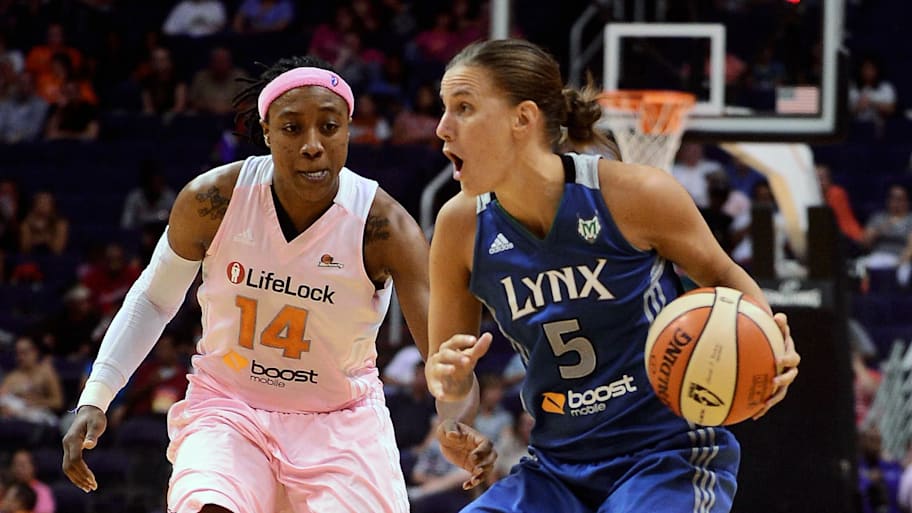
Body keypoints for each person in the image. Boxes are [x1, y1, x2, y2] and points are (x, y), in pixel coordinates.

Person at [62, 55, 493, 513]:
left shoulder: (384, 227)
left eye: (329, 127)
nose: (313, 145)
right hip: (229, 407)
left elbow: (443, 356)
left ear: (348, 131)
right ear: (267, 132)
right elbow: (153, 300)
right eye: (292, 129)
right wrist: (96, 396)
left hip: (339, 423)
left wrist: (456, 420)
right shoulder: (213, 200)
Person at [426, 38, 800, 513]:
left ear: (523, 118)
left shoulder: (635, 194)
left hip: (667, 455)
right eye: (445, 109)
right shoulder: (459, 227)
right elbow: (451, 380)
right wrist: (454, 411)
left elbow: (722, 272)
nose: (442, 128)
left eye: (463, 108)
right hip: (555, 468)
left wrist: (770, 342)